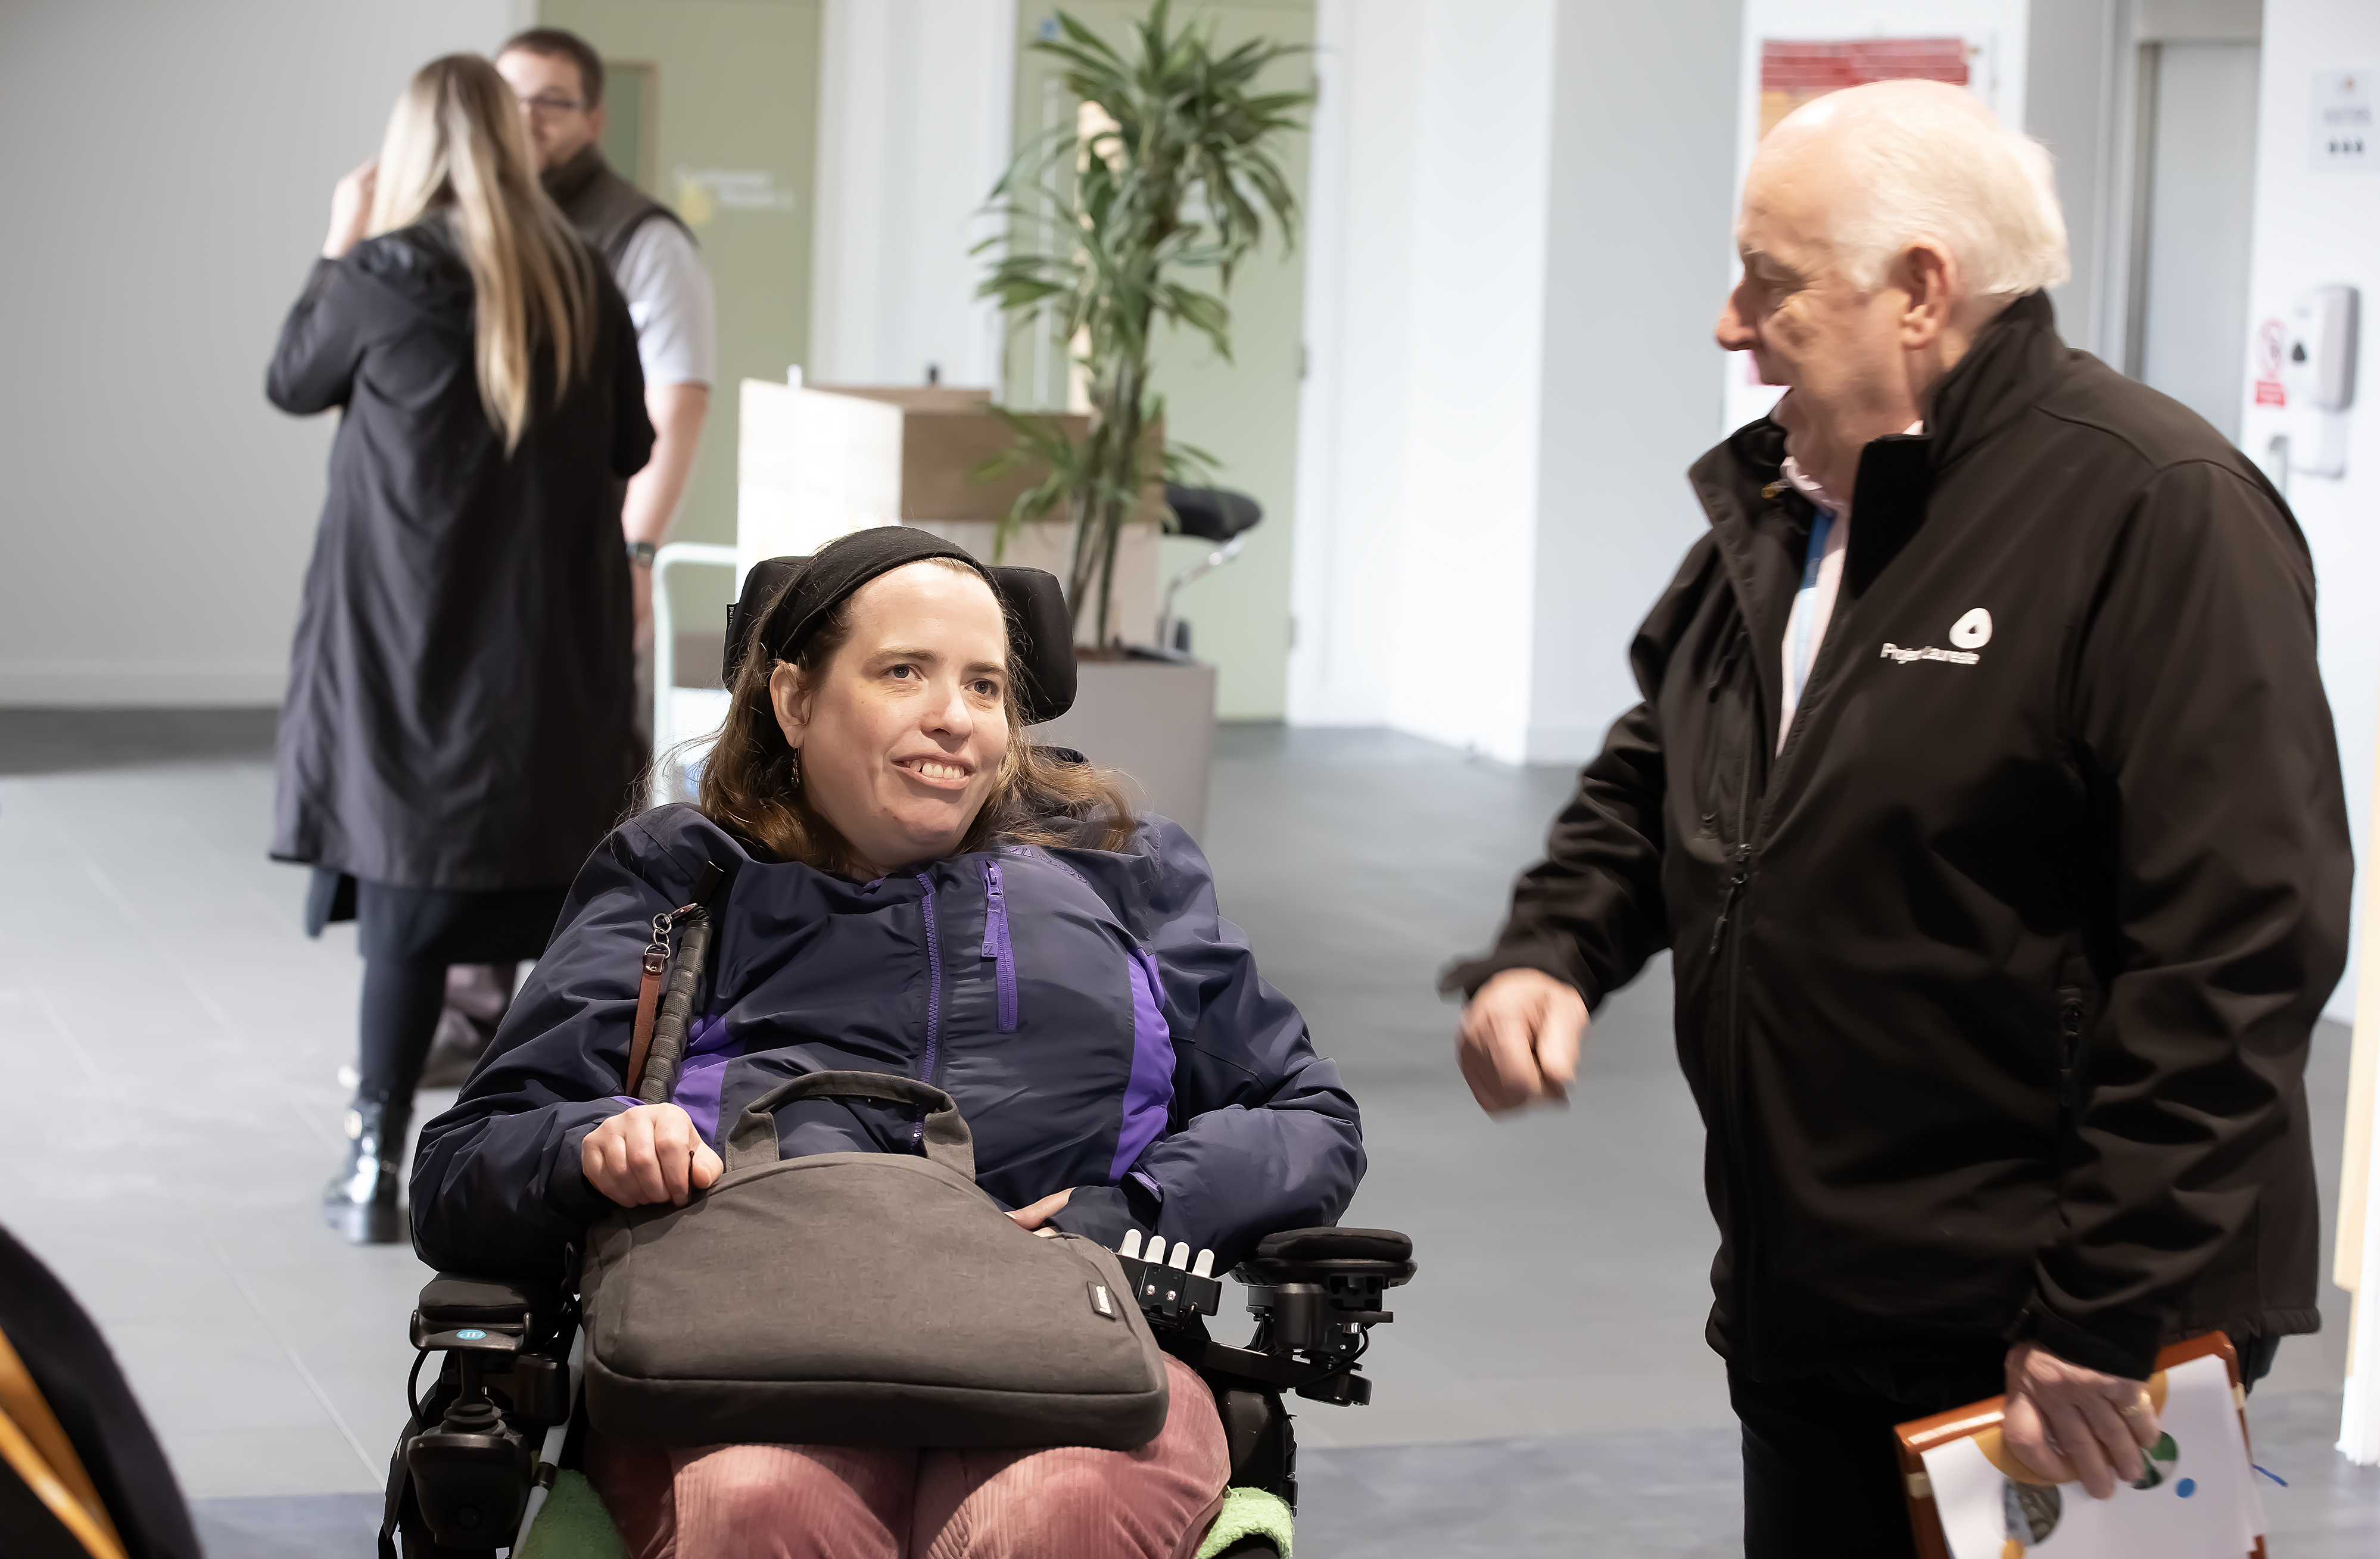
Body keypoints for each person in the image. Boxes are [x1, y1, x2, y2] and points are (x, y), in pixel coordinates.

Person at [1446, 79, 2348, 1556]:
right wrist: (1554, 946)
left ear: (1921, 290)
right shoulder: (1794, 500)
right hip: (1810, 1287)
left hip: (2053, 1332)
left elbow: (2237, 947)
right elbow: (1661, 764)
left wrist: (2104, 1306)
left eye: (1772, 281)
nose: (1730, 325)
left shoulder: (2156, 506)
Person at [411, 526, 1365, 1558]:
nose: (954, 719)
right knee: (762, 1506)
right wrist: (589, 1144)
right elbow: (464, 1165)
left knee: (1051, 1519)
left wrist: (1131, 1210)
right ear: (795, 697)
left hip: (1070, 1340)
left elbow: (1307, 1116)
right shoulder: (683, 879)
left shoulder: (1120, 871)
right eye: (903, 671)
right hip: (750, 1339)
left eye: (987, 686)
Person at [266, 54, 652, 1244]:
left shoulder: (378, 277)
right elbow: (630, 444)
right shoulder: (584, 278)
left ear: (413, 147)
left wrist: (340, 236)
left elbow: (292, 380)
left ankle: (376, 1161)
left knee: (408, 905)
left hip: (411, 652)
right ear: (513, 140)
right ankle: (555, 1159)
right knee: (563, 916)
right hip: (549, 652)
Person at [413, 27, 719, 1087]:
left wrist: (638, 549)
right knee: (463, 779)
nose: (526, 120)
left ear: (591, 118)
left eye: (550, 102)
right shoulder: (460, 227)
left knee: (570, 790)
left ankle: (565, 1021)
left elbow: (675, 403)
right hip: (481, 575)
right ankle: (463, 1006)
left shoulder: (637, 235)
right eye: (510, 100)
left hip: (580, 565)